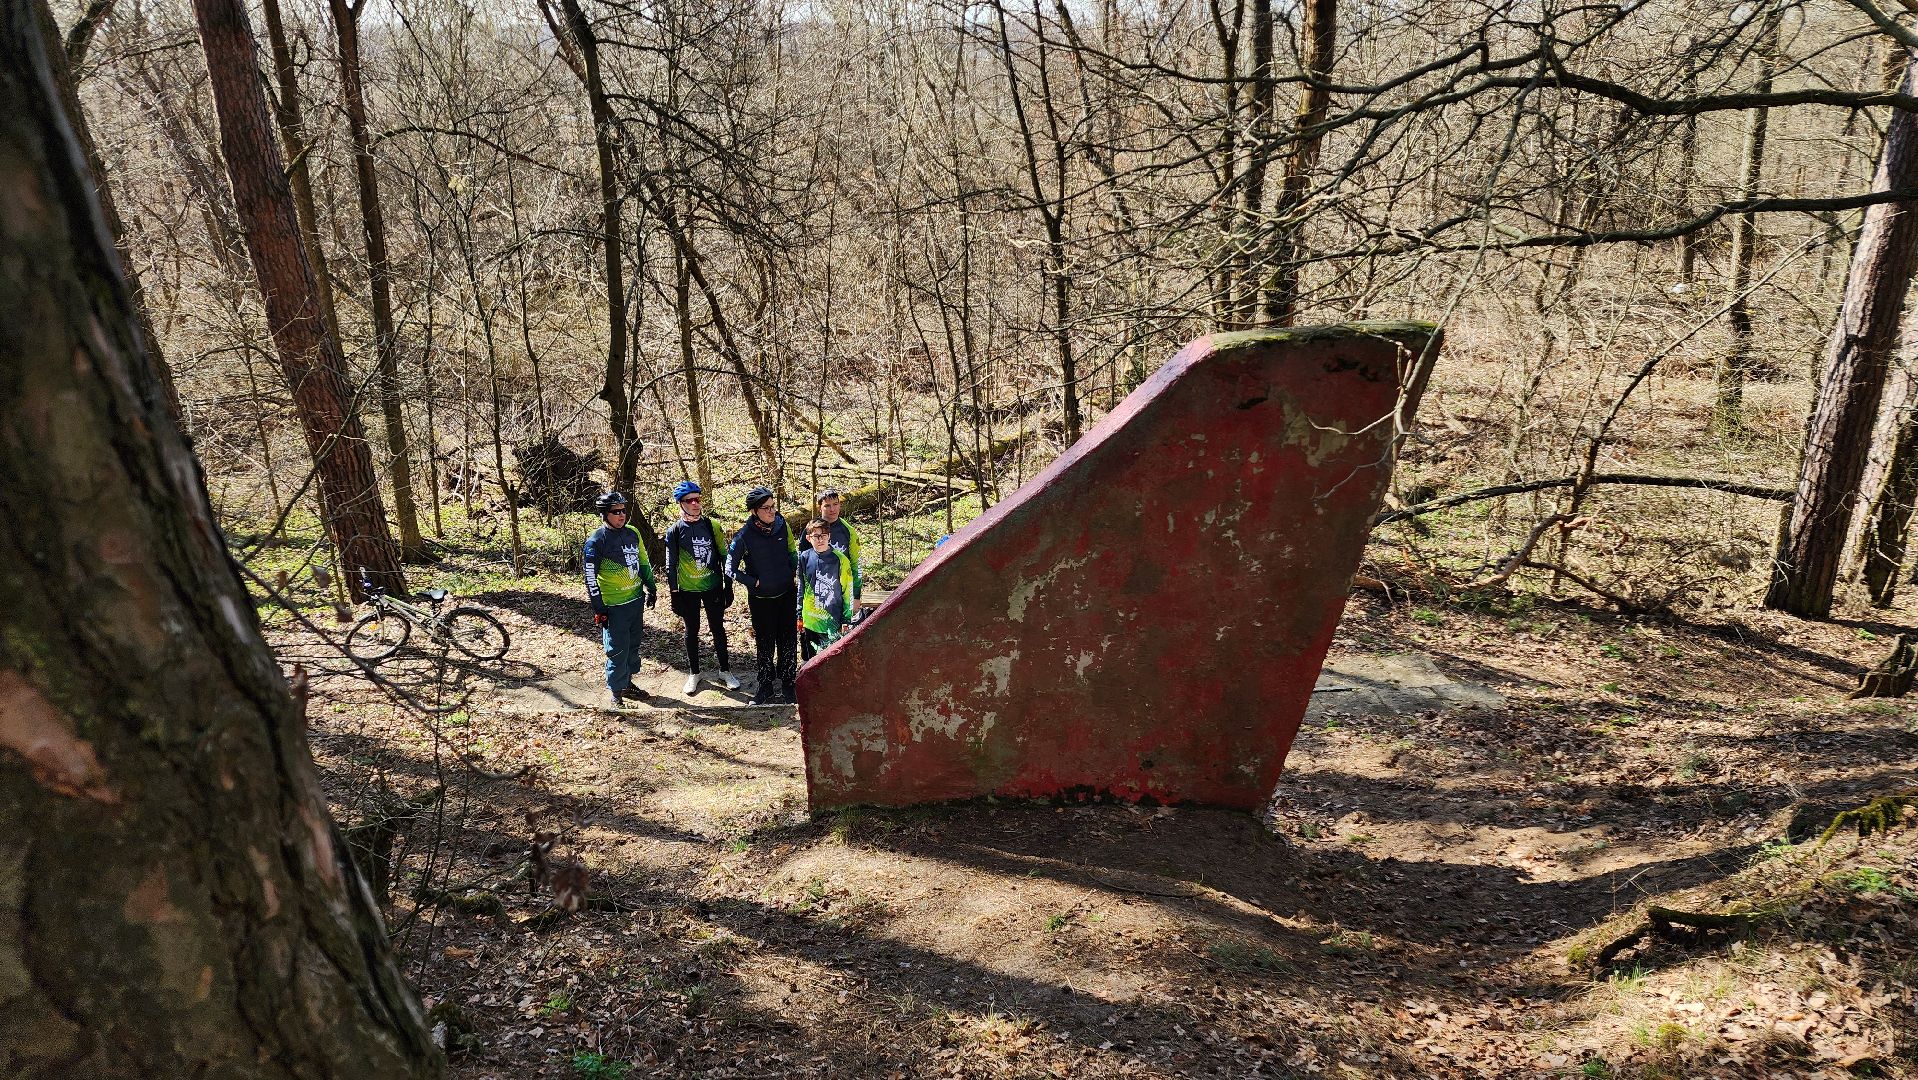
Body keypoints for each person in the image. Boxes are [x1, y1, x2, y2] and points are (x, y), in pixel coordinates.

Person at [662, 481, 738, 695]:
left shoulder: (712, 525)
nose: (695, 504)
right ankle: (694, 673)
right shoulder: (674, 531)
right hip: (688, 590)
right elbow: (671, 565)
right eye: (690, 500)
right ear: (681, 503)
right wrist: (674, 593)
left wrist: (728, 586)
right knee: (691, 631)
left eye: (698, 499)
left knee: (718, 628)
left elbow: (725, 556)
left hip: (712, 586)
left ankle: (725, 670)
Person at [582, 491, 656, 708]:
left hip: (635, 600)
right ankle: (616, 695)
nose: (622, 515)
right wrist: (599, 608)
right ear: (604, 514)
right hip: (613, 606)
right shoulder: (596, 541)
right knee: (617, 650)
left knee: (632, 647)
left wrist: (651, 587)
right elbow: (589, 578)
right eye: (616, 512)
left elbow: (643, 561)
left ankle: (627, 684)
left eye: (624, 510)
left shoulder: (633, 533)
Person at [727, 487, 799, 705]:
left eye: (773, 506)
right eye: (766, 508)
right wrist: (752, 582)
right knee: (765, 642)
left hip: (786, 594)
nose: (772, 511)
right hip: (761, 600)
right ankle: (765, 684)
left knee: (788, 639)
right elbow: (730, 568)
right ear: (754, 511)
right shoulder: (744, 536)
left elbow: (792, 551)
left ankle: (788, 682)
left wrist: (791, 571)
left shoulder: (782, 524)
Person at [803, 488, 864, 660]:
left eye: (836, 504)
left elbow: (856, 565)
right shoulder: (811, 531)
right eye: (827, 505)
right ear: (819, 508)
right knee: (810, 647)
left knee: (834, 646)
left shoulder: (848, 531)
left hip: (837, 597)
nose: (832, 509)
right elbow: (801, 565)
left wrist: (856, 596)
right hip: (813, 600)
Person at [798, 517, 858, 660]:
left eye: (823, 535)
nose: (820, 539)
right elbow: (801, 586)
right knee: (811, 661)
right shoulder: (804, 557)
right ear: (808, 538)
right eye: (816, 536)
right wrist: (799, 614)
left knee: (830, 661)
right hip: (810, 621)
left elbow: (847, 591)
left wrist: (846, 619)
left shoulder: (841, 560)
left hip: (832, 622)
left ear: (829, 536)